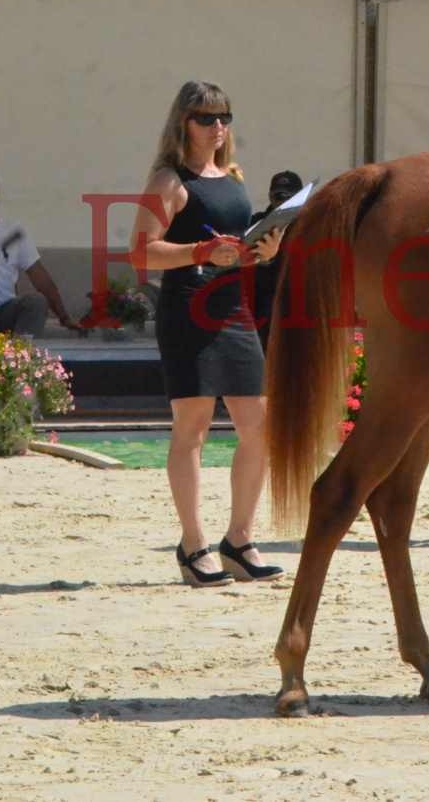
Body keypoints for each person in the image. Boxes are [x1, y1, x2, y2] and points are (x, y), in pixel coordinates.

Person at [130, 81, 285, 588]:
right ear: (184, 123)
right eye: (206, 118)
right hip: (187, 312)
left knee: (259, 429)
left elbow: (234, 247)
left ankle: (238, 540)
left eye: (225, 117)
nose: (218, 127)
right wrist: (199, 252)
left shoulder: (233, 177)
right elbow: (140, 253)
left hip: (234, 309)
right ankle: (193, 544)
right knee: (192, 430)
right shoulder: (168, 181)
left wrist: (262, 252)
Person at [0, 171, 80, 338]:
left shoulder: (13, 231)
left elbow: (40, 278)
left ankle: (18, 353)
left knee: (37, 302)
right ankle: (0, 345)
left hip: (4, 311)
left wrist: (64, 317)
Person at [248, 169, 304, 351]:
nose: (283, 202)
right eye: (279, 196)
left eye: (290, 197)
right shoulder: (256, 223)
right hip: (264, 306)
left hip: (300, 306)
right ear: (270, 196)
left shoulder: (310, 225)